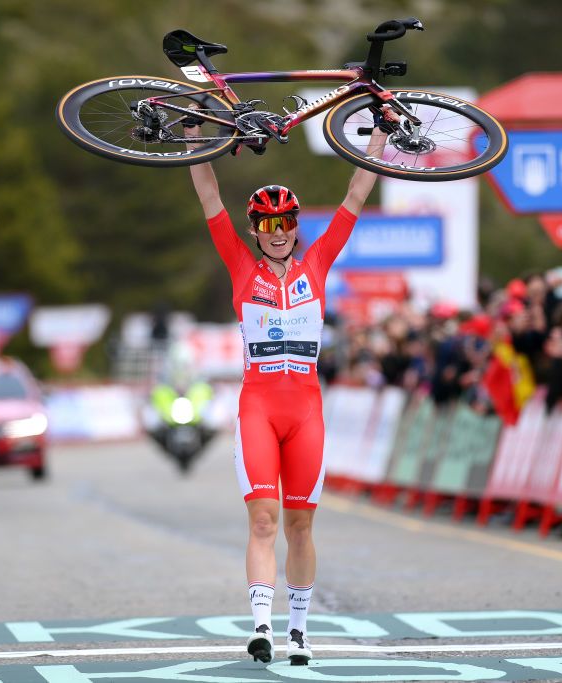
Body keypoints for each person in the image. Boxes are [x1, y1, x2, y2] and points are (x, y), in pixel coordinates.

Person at [185, 117, 388, 665]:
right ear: (254, 229)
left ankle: (299, 630)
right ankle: (262, 625)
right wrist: (190, 138)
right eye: (267, 222)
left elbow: (357, 191)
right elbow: (208, 192)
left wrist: (380, 136)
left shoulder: (318, 263)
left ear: (296, 225)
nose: (277, 230)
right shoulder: (239, 265)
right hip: (259, 406)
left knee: (300, 524)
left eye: (286, 221)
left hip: (306, 411)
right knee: (263, 520)